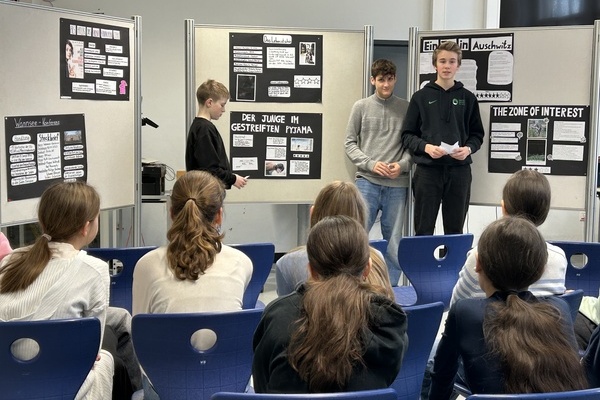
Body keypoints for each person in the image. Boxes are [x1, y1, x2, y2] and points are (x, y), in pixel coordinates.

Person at [429, 217, 587, 399]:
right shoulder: (560, 309)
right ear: (541, 270)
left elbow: (441, 379)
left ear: (478, 264)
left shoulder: (465, 312)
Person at [253, 215, 408, 393]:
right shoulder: (389, 324)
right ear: (367, 268)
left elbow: (262, 388)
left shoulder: (277, 317)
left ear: (311, 271)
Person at [0, 181, 113, 400]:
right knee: (106, 356)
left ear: (42, 222)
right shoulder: (94, 270)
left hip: (8, 385)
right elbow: (92, 353)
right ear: (86, 227)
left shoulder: (10, 261)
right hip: (64, 387)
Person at [401, 41, 485, 236]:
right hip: (427, 172)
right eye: (442, 61)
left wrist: (468, 149)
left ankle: (452, 259)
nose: (447, 66)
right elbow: (407, 135)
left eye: (452, 61)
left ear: (458, 65)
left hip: (459, 172)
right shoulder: (420, 97)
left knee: (455, 230)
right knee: (423, 229)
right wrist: (426, 147)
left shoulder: (468, 98)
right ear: (435, 65)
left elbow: (477, 135)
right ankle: (423, 259)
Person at [451, 169, 567, 305]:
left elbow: (455, 305)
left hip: (486, 319)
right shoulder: (558, 258)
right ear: (544, 212)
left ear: (504, 207)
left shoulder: (479, 256)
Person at [344, 58, 411, 286]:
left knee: (394, 242)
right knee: (358, 236)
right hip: (367, 182)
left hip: (397, 184)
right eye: (381, 79)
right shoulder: (360, 107)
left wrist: (402, 165)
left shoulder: (406, 108)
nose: (386, 84)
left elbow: (413, 146)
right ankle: (356, 285)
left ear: (395, 79)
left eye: (390, 79)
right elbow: (349, 143)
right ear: (372, 80)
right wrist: (370, 164)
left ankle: (390, 288)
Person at [275, 180, 383, 297]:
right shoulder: (377, 259)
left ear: (312, 213)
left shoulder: (288, 263)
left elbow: (285, 306)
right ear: (361, 218)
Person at [185, 79, 247, 190]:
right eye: (222, 105)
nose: (224, 110)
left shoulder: (200, 127)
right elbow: (209, 169)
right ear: (209, 102)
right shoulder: (204, 129)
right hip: (205, 192)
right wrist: (233, 178)